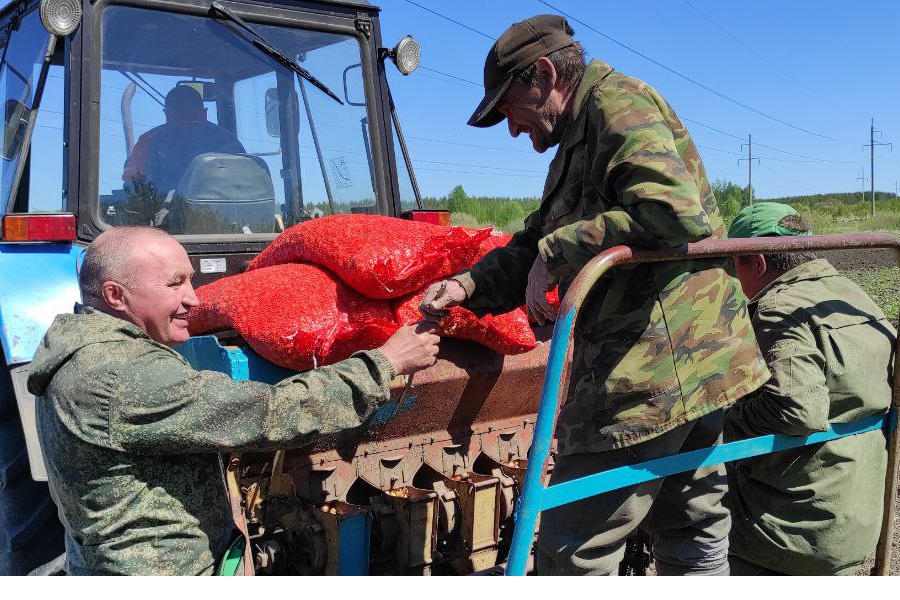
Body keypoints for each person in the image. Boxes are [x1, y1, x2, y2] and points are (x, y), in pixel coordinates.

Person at [420, 15, 769, 576]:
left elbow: (673, 211)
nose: (512, 131)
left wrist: (558, 252)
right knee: (690, 525)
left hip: (655, 372)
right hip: (691, 366)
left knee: (573, 546)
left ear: (545, 74)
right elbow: (536, 236)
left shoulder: (618, 105)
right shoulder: (575, 139)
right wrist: (468, 285)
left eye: (509, 109)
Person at [28, 226, 440, 575]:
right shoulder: (121, 375)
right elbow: (271, 414)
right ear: (115, 295)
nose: (194, 298)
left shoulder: (89, 348)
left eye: (190, 279)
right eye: (175, 284)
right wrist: (385, 362)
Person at [724, 203, 894, 575]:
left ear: (757, 261)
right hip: (856, 520)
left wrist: (723, 417)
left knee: (690, 521)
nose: (733, 280)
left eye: (734, 264)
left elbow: (797, 409)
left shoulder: (778, 308)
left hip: (788, 535)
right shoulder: (853, 295)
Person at [122, 85, 246, 195]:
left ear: (167, 113)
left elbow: (132, 186)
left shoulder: (148, 141)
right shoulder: (229, 141)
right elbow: (246, 179)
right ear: (204, 112)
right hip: (232, 218)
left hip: (165, 219)